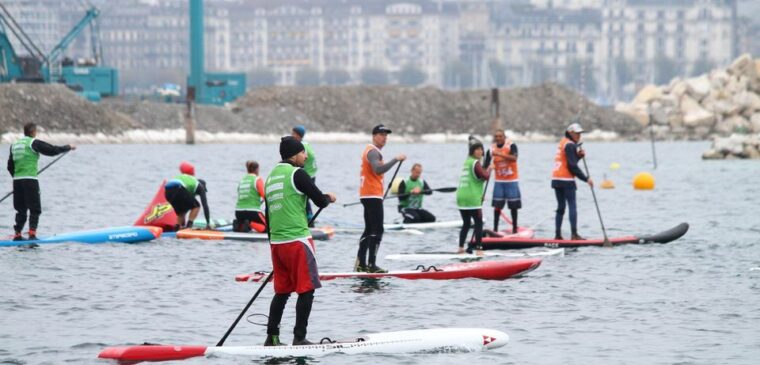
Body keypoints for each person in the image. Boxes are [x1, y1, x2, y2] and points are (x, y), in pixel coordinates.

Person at [264, 136, 336, 346]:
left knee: (282, 292)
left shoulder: (270, 177)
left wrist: (273, 244)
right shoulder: (298, 173)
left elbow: (268, 215)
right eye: (303, 152)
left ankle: (272, 338)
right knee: (307, 289)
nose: (306, 156)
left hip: (276, 244)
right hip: (297, 241)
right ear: (294, 155)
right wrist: (329, 197)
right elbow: (319, 200)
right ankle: (299, 337)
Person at [7, 123, 75, 240]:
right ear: (33, 132)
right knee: (35, 208)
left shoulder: (14, 145)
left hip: (17, 181)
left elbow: (9, 166)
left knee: (21, 209)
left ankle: (17, 234)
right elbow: (52, 150)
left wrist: (18, 177)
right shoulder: (34, 143)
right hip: (30, 180)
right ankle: (32, 234)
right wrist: (68, 147)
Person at [356, 124, 405, 273]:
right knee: (377, 230)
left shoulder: (370, 151)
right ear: (374, 136)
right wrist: (396, 159)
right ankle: (371, 265)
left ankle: (361, 264)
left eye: (386, 135)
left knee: (369, 230)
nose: (384, 138)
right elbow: (378, 170)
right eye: (381, 134)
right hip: (372, 195)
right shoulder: (373, 152)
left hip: (367, 195)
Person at [552, 123, 594, 240]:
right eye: (577, 133)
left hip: (556, 179)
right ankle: (574, 234)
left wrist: (578, 156)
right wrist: (586, 179)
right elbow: (572, 166)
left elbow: (570, 161)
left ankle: (557, 235)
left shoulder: (563, 142)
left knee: (560, 207)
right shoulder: (570, 145)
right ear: (570, 133)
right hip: (566, 180)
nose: (579, 136)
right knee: (572, 206)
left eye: (580, 134)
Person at [456, 138, 490, 254]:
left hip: (461, 197)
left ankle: (460, 248)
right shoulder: (475, 163)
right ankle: (479, 249)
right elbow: (485, 176)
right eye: (477, 149)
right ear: (472, 152)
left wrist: (480, 194)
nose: (480, 152)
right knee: (478, 222)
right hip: (471, 198)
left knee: (466, 223)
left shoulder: (467, 162)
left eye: (481, 149)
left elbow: (476, 180)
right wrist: (490, 168)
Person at [485, 129, 521, 234]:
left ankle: (515, 229)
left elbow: (514, 158)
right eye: (496, 136)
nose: (498, 138)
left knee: (513, 207)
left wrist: (500, 154)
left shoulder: (511, 145)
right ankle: (495, 229)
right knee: (497, 206)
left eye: (500, 136)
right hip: (499, 182)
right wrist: (488, 168)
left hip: (512, 181)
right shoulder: (491, 149)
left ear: (504, 137)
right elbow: (485, 165)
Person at [163, 162, 210, 231]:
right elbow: (205, 205)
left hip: (167, 191)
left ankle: (177, 227)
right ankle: (189, 226)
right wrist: (208, 223)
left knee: (182, 211)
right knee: (196, 206)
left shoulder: (189, 181)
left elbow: (185, 204)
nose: (197, 195)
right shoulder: (200, 186)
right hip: (178, 188)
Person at [291, 125, 317, 227]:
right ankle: (307, 219)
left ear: (298, 135)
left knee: (304, 198)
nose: (291, 135)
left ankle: (309, 220)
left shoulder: (301, 146)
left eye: (293, 133)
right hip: (311, 174)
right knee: (305, 198)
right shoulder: (306, 144)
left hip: (307, 175)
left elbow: (297, 161)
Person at [233, 160, 266, 233]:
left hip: (238, 212)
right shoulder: (257, 179)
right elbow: (265, 196)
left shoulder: (242, 180)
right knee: (267, 228)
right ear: (257, 170)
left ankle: (239, 224)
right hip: (252, 212)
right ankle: (249, 223)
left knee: (246, 221)